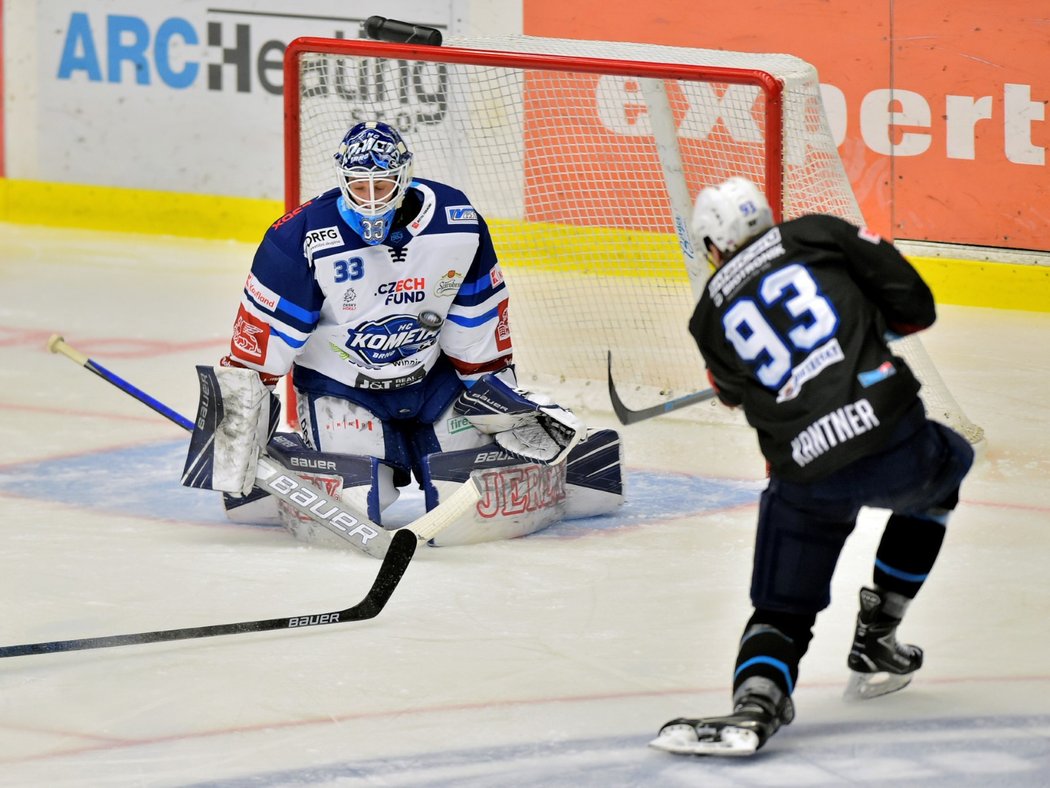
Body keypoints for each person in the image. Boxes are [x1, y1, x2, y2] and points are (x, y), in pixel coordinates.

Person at [649, 177, 975, 757]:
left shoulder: (707, 318)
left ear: (712, 246)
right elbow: (915, 307)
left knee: (781, 608)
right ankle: (879, 633)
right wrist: (864, 327)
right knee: (947, 470)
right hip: (891, 435)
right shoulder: (817, 234)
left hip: (804, 468)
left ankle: (757, 704)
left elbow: (733, 396)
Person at [185, 120, 590, 529]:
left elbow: (476, 320)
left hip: (434, 382)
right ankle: (286, 459)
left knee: (464, 509)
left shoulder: (457, 223)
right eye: (360, 187)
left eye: (384, 185)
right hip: (340, 389)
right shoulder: (299, 239)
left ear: (404, 177)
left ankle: (543, 472)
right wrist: (233, 432)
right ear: (343, 180)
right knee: (356, 509)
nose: (373, 199)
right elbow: (258, 352)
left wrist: (500, 404)